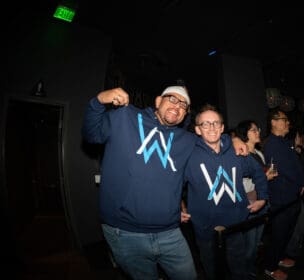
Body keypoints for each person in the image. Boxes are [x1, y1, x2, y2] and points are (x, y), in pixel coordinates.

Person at [81, 86, 248, 280]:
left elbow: (212, 137)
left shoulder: (186, 139)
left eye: (183, 105)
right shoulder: (125, 117)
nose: (177, 106)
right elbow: (91, 135)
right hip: (125, 233)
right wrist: (99, 101)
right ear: (158, 101)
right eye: (172, 99)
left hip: (170, 232)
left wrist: (233, 140)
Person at [183, 105, 269, 280]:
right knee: (213, 271)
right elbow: (173, 183)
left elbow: (258, 172)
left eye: (216, 123)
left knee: (239, 269)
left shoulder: (236, 151)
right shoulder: (188, 155)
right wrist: (177, 206)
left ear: (222, 128)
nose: (212, 127)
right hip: (206, 229)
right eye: (205, 124)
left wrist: (262, 197)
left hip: (235, 225)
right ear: (198, 130)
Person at [262, 109, 304, 280]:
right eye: (285, 120)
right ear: (274, 122)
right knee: (279, 234)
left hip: (291, 197)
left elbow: (298, 165)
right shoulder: (272, 144)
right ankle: (269, 267)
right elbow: (289, 170)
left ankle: (280, 258)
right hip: (281, 199)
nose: (288, 123)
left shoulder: (284, 142)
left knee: (287, 232)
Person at [235, 119, 277, 279]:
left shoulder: (259, 153)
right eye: (253, 130)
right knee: (249, 245)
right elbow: (241, 183)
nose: (258, 132)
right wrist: (264, 178)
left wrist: (266, 177)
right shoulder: (241, 153)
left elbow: (261, 177)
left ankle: (250, 270)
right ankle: (244, 273)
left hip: (263, 201)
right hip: (250, 202)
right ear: (245, 134)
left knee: (257, 241)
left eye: (257, 129)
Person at [280, 126, 304, 269]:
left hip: (297, 194)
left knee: (298, 224)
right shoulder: (289, 152)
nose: (302, 139)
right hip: (289, 195)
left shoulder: (298, 152)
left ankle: (292, 250)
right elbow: (297, 172)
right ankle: (287, 253)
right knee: (293, 225)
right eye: (300, 136)